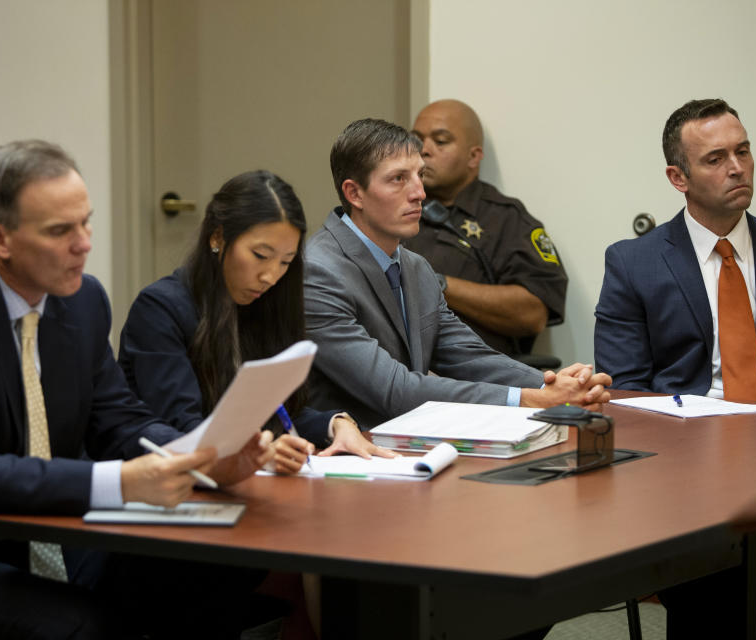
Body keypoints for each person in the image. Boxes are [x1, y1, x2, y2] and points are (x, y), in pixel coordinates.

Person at [0, 140, 275, 639]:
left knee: (219, 567)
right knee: (83, 626)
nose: (84, 244)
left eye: (86, 222)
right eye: (60, 231)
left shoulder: (83, 299)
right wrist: (123, 483)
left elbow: (119, 419)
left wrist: (203, 454)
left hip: (61, 530)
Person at [594, 99, 756, 639]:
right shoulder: (633, 262)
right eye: (715, 158)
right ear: (677, 177)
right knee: (711, 598)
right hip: (692, 471)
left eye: (743, 151)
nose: (736, 167)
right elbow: (627, 392)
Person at [304, 118, 611, 429]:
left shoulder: (415, 266)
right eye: (398, 179)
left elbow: (467, 355)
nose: (419, 193)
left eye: (419, 175)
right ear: (355, 194)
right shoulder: (318, 272)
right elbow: (393, 389)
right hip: (345, 455)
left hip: (411, 444)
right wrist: (528, 399)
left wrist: (555, 385)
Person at [119, 170, 396, 472]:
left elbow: (281, 412)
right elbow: (182, 427)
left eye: (285, 262)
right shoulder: (160, 309)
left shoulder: (264, 303)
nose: (271, 276)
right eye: (260, 255)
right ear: (217, 237)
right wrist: (256, 452)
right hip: (172, 486)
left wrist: (335, 424)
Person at [403, 99, 568, 357]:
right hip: (395, 370)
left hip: (474, 378)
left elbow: (533, 313)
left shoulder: (505, 219)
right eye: (416, 139)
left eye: (441, 141)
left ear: (474, 156)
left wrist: (437, 284)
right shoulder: (392, 208)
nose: (424, 150)